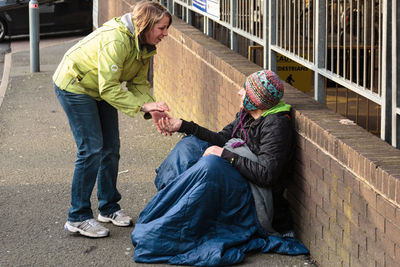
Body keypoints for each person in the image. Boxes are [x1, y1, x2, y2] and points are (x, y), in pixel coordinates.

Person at [131, 70, 308, 266]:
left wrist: (225, 155)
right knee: (189, 145)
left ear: (257, 99)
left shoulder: (276, 125)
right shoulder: (247, 115)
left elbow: (267, 175)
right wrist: (182, 126)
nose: (239, 92)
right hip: (238, 179)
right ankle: (170, 208)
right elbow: (222, 139)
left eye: (245, 89)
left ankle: (172, 225)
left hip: (257, 198)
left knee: (211, 164)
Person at [53, 0, 172, 238]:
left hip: (101, 88)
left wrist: (152, 109)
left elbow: (138, 83)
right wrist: (143, 105)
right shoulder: (117, 40)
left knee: (111, 148)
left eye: (166, 28)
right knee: (91, 148)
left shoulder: (143, 43)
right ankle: (77, 216)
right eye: (161, 28)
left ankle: (108, 208)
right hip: (75, 85)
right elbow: (108, 88)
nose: (165, 34)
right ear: (146, 25)